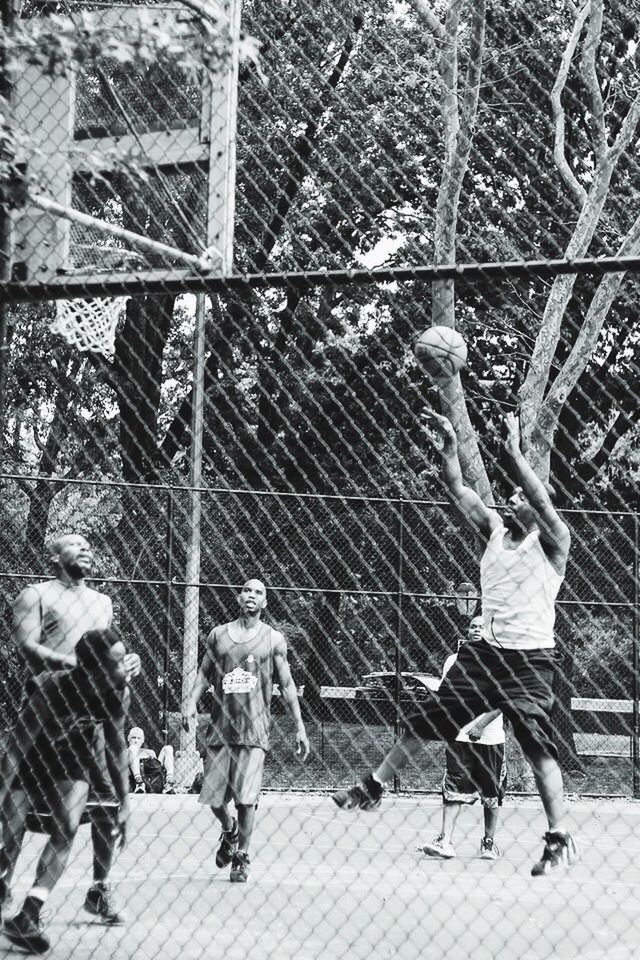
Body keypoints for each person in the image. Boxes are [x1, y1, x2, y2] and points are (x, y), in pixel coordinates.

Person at [333, 412, 578, 877]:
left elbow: (542, 498)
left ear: (537, 506)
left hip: (529, 660)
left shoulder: (553, 542)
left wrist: (515, 454)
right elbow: (457, 490)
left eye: (520, 494)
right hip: (485, 654)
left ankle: (558, 834)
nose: (511, 497)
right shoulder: (491, 530)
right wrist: (448, 450)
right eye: (510, 493)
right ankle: (375, 786)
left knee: (536, 742)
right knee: (429, 719)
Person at [7, 534, 140, 921]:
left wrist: (128, 663)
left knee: (106, 806)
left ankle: (99, 890)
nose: (86, 548)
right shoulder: (37, 594)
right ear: (54, 556)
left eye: (88, 545)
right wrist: (75, 668)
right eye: (75, 543)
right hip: (45, 709)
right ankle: (4, 885)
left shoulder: (103, 603)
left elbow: (107, 650)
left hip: (89, 720)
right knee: (14, 815)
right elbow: (27, 646)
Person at [0, 629, 130, 954]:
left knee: (66, 829)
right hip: (33, 757)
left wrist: (126, 802)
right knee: (10, 831)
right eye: (116, 662)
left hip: (73, 761)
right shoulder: (51, 687)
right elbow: (17, 748)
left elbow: (116, 747)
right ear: (92, 668)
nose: (124, 666)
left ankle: (29, 914)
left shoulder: (117, 691)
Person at [182, 578, 310, 883]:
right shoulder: (218, 635)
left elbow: (288, 685)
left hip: (254, 731)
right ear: (240, 598)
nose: (251, 595)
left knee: (245, 800)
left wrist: (300, 727)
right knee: (214, 801)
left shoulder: (273, 639)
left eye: (258, 592)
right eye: (247, 590)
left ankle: (242, 855)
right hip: (220, 730)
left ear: (265, 603)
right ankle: (230, 831)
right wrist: (190, 704)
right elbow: (202, 673)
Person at [421, 616, 506, 861]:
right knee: (453, 790)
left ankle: (488, 842)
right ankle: (445, 840)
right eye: (473, 626)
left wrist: (480, 725)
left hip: (489, 739)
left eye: (482, 626)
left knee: (491, 794)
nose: (477, 629)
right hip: (459, 738)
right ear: (467, 631)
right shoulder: (453, 661)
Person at [127, 727, 176, 794]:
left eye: (139, 738)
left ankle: (169, 782)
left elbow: (157, 767)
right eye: (133, 737)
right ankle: (139, 783)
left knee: (168, 748)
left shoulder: (150, 752)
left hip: (152, 774)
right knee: (133, 748)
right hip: (138, 775)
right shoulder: (127, 752)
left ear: (143, 740)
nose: (136, 740)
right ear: (128, 738)